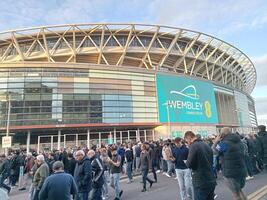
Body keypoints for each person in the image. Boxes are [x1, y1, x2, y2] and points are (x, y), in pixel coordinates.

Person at [212, 127, 247, 200]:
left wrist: (215, 142)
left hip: (230, 172)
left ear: (222, 134)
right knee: (240, 190)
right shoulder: (239, 141)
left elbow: (213, 152)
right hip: (241, 169)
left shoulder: (224, 144)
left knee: (235, 194)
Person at [184, 131, 216, 200]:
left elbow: (188, 164)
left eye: (186, 142)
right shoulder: (206, 145)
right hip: (210, 179)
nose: (187, 144)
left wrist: (186, 162)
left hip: (200, 181)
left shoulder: (194, 146)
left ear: (189, 138)